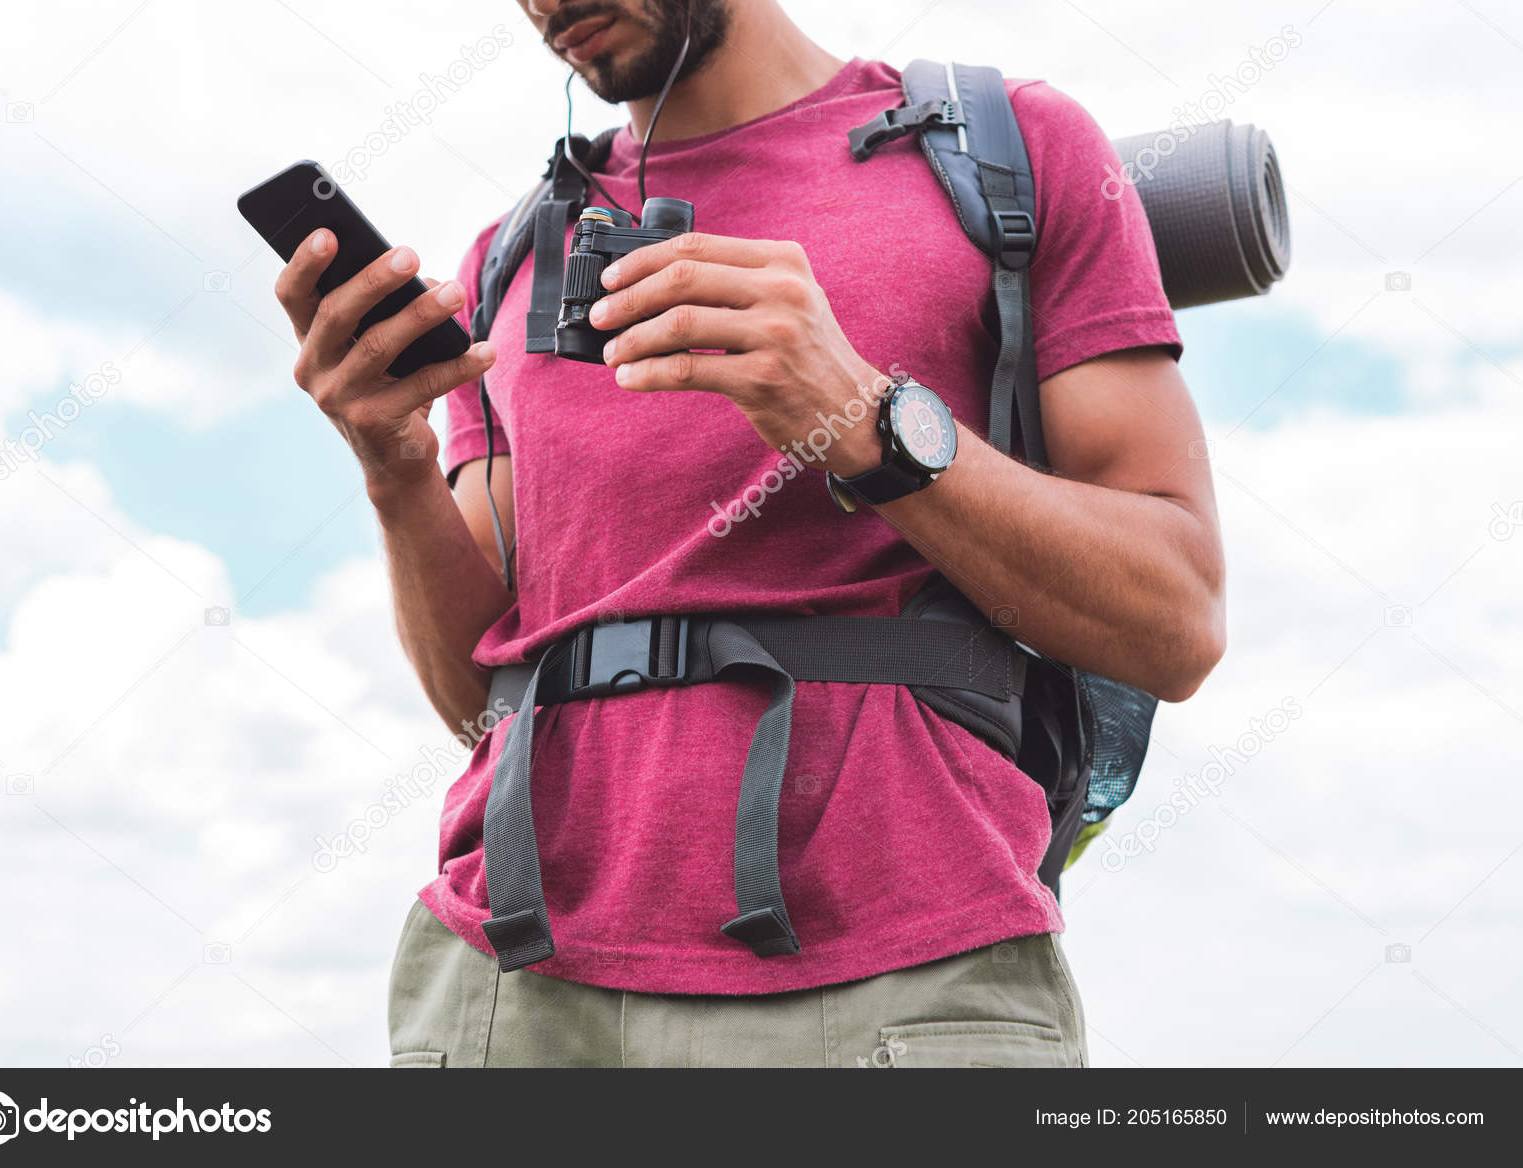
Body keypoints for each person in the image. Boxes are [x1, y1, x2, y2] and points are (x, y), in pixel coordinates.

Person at [272, 0, 1225, 1068]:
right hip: (510, 978)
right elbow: (477, 707)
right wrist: (394, 466)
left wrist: (861, 417)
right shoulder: (509, 256)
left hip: (899, 966)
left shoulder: (1010, 149)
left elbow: (1174, 621)